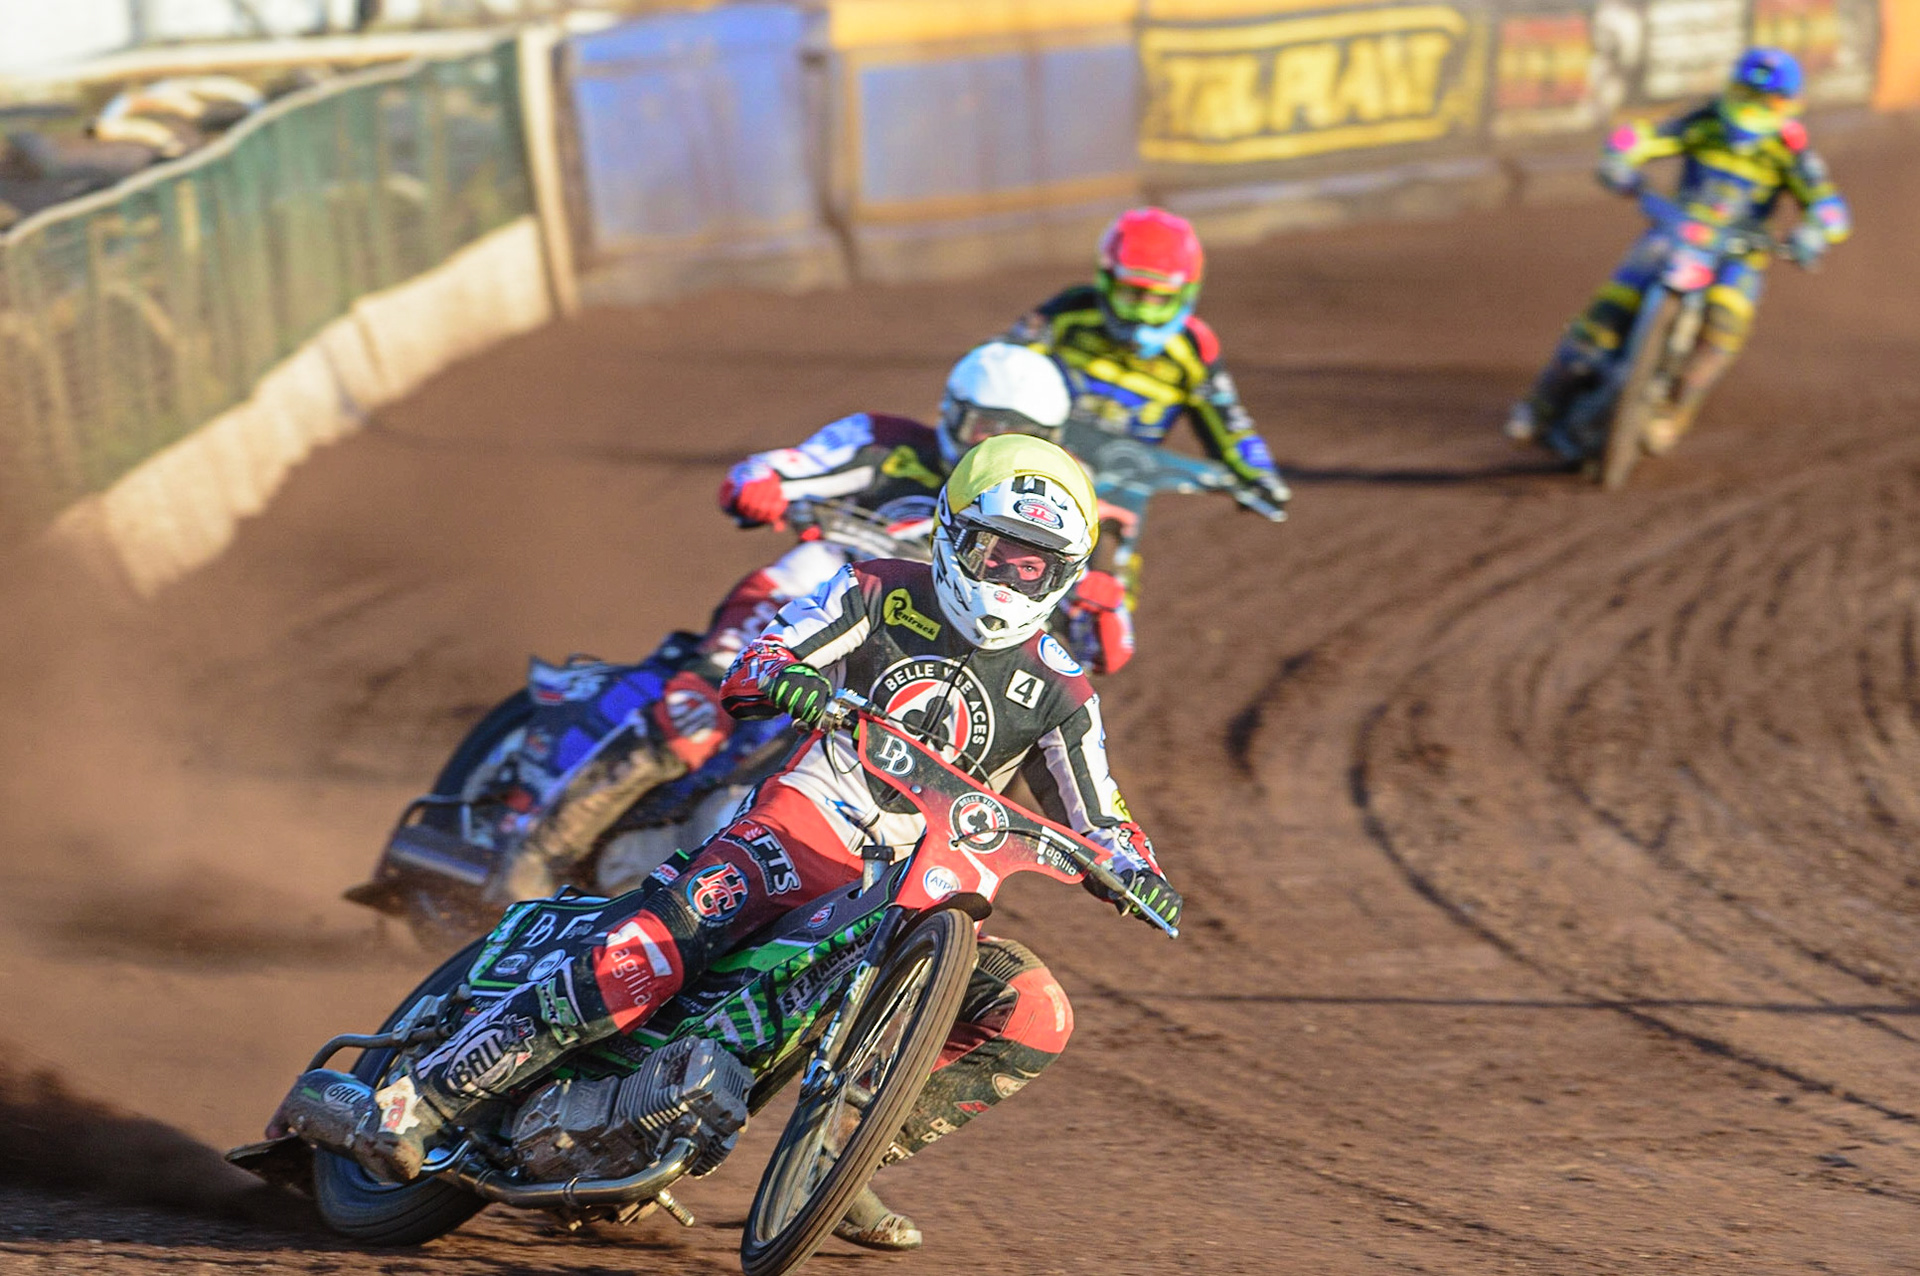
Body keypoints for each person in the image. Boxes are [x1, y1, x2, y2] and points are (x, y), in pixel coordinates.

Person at [330, 437, 1181, 1252]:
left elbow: (1102, 816)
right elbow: (766, 651)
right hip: (804, 824)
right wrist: (785, 674)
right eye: (997, 552)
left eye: (1033, 565)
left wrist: (1135, 867)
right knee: (650, 951)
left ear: (1063, 574)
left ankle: (839, 1157)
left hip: (926, 882)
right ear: (954, 534)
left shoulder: (1063, 689)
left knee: (1033, 1012)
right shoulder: (877, 588)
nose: (1008, 577)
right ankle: (427, 1097)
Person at [476, 342, 1096, 908]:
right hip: (810, 598)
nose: (998, 445)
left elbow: (1080, 595)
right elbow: (782, 467)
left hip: (915, 646)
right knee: (697, 711)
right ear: (953, 414)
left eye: (1020, 433)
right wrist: (761, 484)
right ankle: (537, 852)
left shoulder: (1051, 510)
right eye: (986, 426)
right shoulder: (883, 445)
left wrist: (1101, 611)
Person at [1506, 48, 1852, 457]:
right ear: (1732, 89)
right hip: (1677, 232)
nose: (1753, 108)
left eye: (1766, 101)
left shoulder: (1790, 151)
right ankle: (1541, 405)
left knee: (1722, 330)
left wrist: (1813, 233)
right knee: (1604, 317)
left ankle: (1670, 414)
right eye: (1747, 94)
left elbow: (1829, 206)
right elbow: (1642, 136)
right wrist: (1618, 159)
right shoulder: (1705, 120)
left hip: (1739, 253)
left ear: (1788, 104)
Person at [1006, 207, 1291, 518]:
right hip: (1036, 463)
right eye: (1132, 294)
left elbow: (1231, 422)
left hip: (1121, 489)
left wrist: (1261, 474)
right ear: (1107, 280)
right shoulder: (1070, 311)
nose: (1143, 311)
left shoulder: (1193, 346)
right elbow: (999, 360)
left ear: (1185, 292)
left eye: (1158, 297)